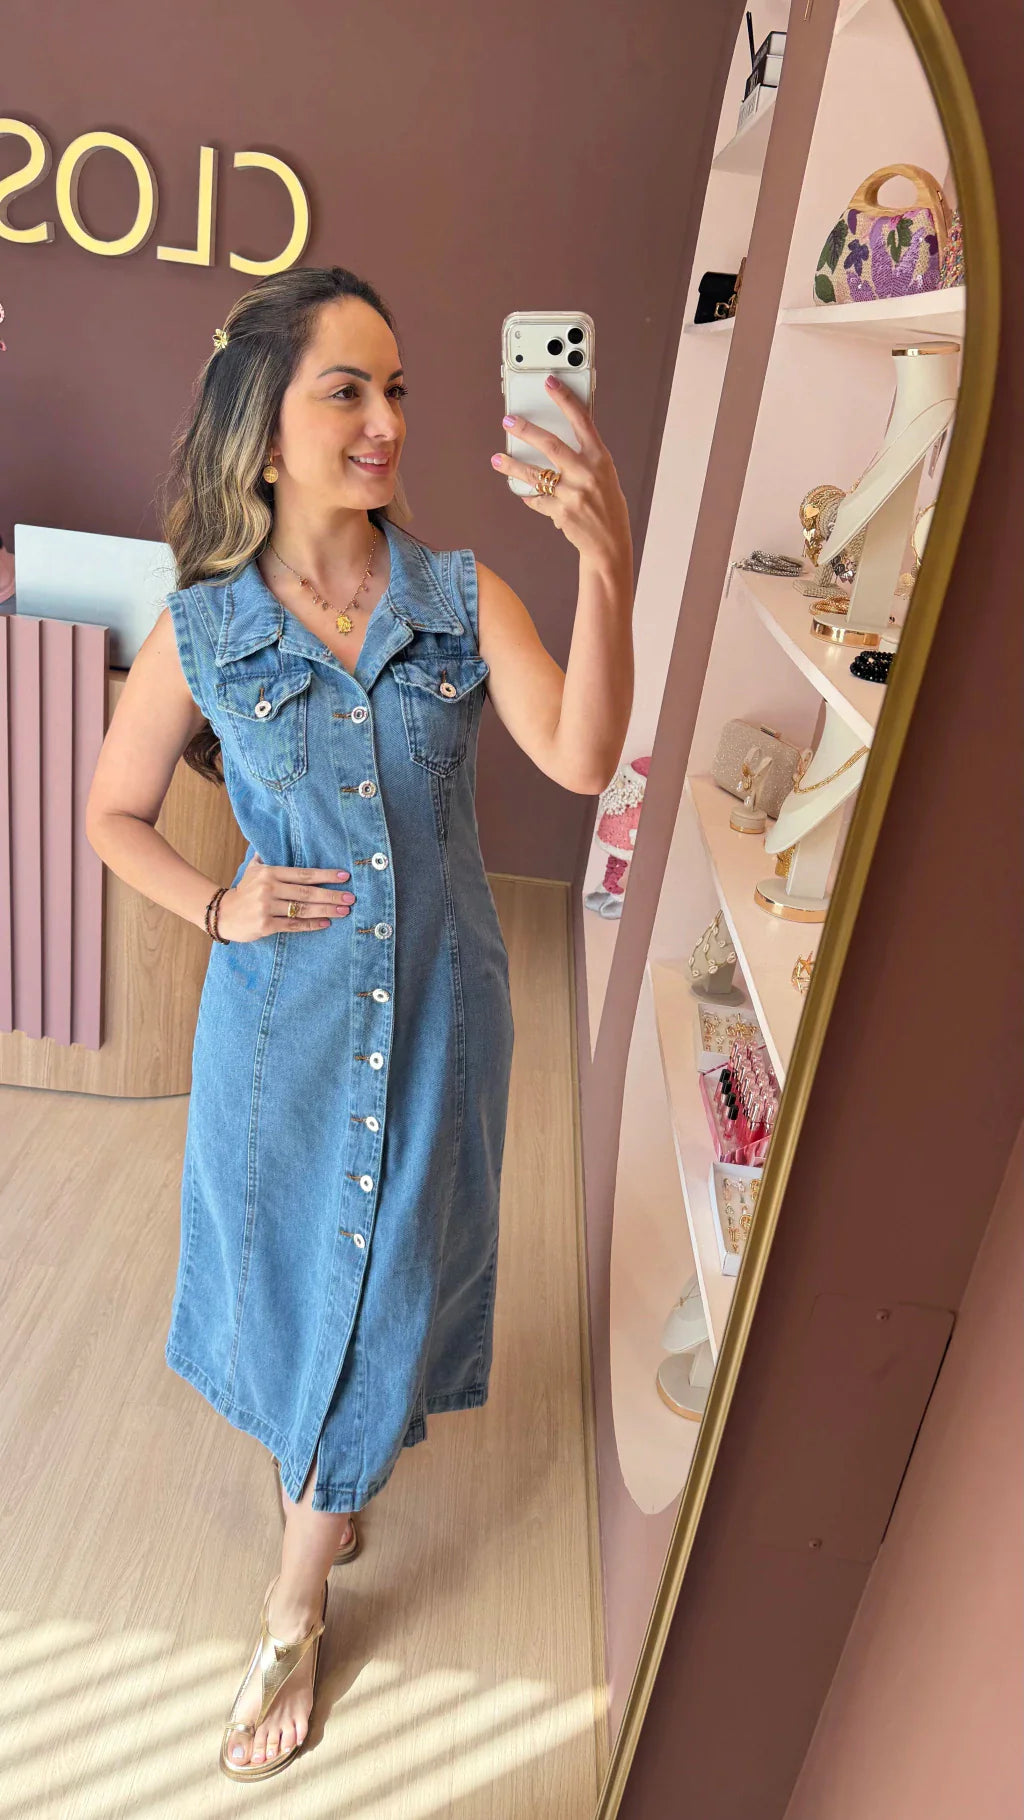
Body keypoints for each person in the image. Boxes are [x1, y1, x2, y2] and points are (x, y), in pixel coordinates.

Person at [85, 265, 634, 1781]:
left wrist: (605, 567)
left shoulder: (462, 599)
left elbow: (584, 756)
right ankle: (324, 1478)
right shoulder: (202, 631)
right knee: (288, 1281)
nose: (387, 419)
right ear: (264, 430)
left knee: (388, 1282)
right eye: (348, 390)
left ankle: (293, 1602)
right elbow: (113, 814)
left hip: (443, 1019)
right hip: (284, 1036)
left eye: (398, 390)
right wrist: (218, 907)